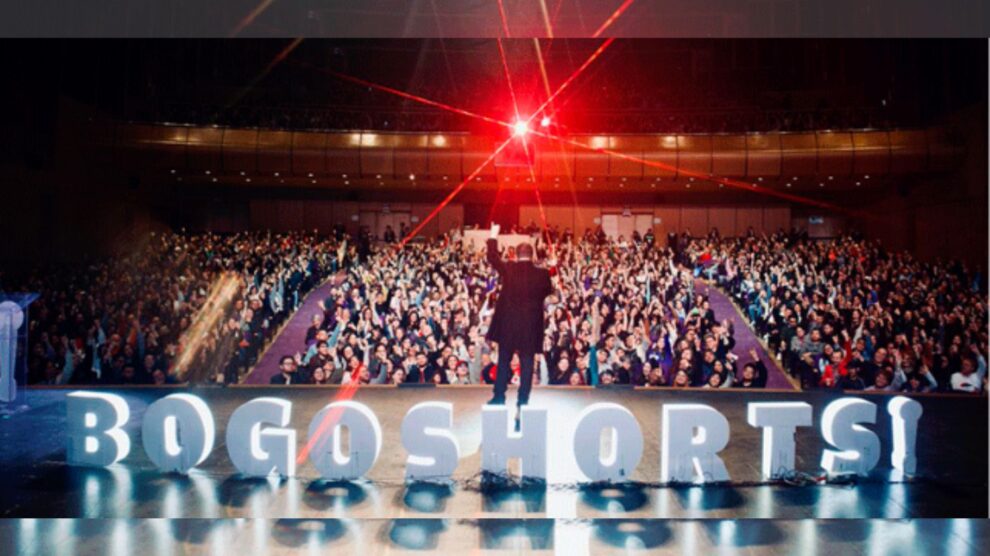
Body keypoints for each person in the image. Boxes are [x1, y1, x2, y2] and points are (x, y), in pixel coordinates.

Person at [484, 224, 554, 410]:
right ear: (532, 255)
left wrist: (493, 234)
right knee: (527, 362)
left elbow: (492, 257)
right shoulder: (543, 274)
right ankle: (523, 400)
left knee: (503, 361)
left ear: (515, 254)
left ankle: (499, 397)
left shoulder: (509, 268)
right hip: (530, 326)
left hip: (508, 324)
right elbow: (548, 292)